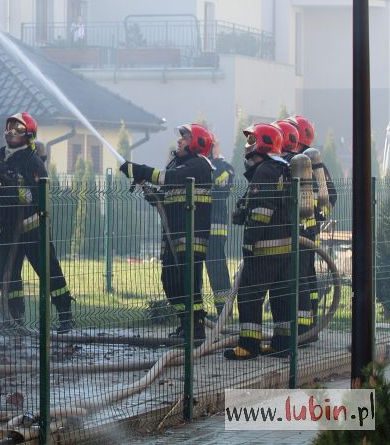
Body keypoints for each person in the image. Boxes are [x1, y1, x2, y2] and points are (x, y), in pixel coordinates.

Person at [0, 112, 74, 332]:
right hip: (8, 227)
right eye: (9, 127)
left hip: (33, 228)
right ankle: (15, 319)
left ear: (28, 134)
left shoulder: (32, 160)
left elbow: (35, 196)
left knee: (49, 272)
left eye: (17, 128)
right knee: (6, 276)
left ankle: (65, 316)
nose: (10, 132)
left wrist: (9, 184)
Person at [120, 123, 213, 340]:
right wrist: (149, 191)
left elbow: (166, 178)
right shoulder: (180, 166)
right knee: (171, 281)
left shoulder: (199, 165)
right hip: (174, 237)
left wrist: (138, 169)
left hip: (191, 237)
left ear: (197, 143)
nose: (179, 141)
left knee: (189, 283)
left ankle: (196, 329)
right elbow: (165, 199)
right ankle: (185, 322)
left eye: (185, 138)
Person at [225, 123, 293, 360]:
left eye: (252, 140)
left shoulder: (265, 170)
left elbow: (262, 211)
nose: (248, 145)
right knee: (281, 297)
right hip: (285, 248)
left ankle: (248, 346)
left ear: (262, 143)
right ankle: (283, 344)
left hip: (264, 248)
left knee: (250, 295)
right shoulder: (284, 168)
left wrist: (249, 242)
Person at [286, 115, 338, 342]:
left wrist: (317, 217)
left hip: (306, 229)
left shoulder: (311, 163)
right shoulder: (296, 160)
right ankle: (310, 325)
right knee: (307, 276)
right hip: (304, 229)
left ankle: (306, 328)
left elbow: (330, 196)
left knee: (303, 276)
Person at [274, 119, 314, 339]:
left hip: (298, 230)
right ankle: (304, 329)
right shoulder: (300, 163)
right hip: (300, 229)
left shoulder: (291, 164)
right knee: (301, 279)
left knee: (297, 280)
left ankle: (302, 330)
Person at [207, 136, 234, 317]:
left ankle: (224, 312)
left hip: (215, 229)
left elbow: (223, 182)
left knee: (217, 271)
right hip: (197, 228)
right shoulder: (198, 165)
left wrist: (216, 158)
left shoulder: (225, 167)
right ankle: (198, 313)